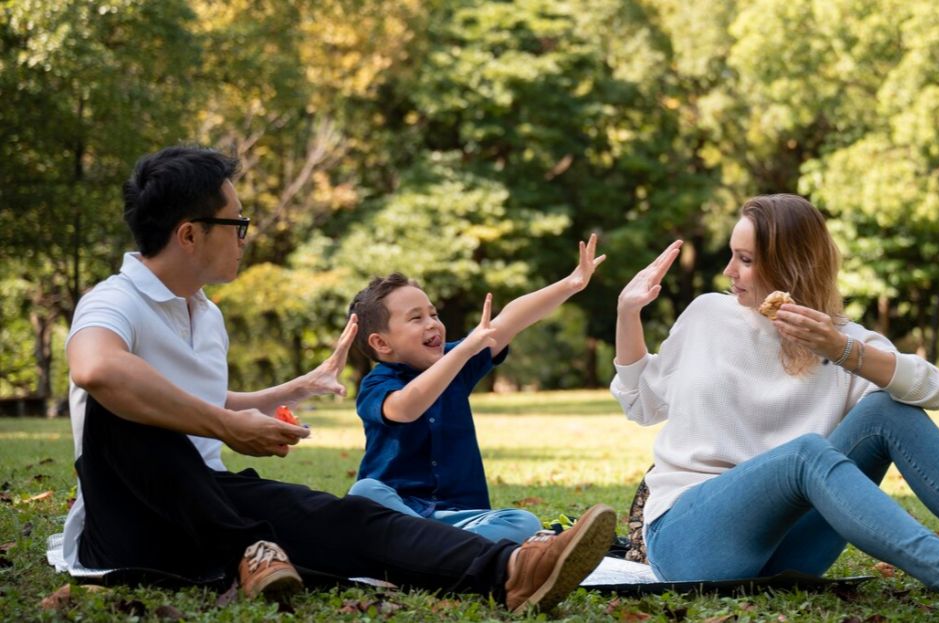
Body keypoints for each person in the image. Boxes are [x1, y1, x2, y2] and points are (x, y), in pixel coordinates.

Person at [60, 145, 615, 613]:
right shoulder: (114, 301)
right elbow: (97, 369)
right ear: (189, 234)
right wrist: (226, 425)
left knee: (349, 515)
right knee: (120, 405)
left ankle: (513, 570)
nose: (245, 236)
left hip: (212, 501)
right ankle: (248, 545)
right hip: (131, 521)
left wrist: (284, 393)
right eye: (238, 224)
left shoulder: (205, 314)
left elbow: (197, 399)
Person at [610, 194, 939, 623]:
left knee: (888, 408)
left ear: (791, 264)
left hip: (790, 555)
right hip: (690, 536)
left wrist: (843, 351)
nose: (730, 270)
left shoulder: (843, 342)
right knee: (806, 455)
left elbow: (933, 390)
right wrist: (628, 314)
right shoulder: (707, 316)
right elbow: (642, 403)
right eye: (733, 255)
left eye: (746, 260)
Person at [343, 236, 605, 544]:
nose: (432, 324)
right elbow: (406, 407)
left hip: (461, 518)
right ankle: (443, 549)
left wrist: (570, 284)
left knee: (523, 522)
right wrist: (464, 349)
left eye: (434, 314)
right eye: (416, 318)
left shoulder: (459, 359)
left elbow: (509, 319)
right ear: (381, 343)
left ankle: (429, 549)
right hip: (399, 512)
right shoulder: (377, 384)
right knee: (365, 492)